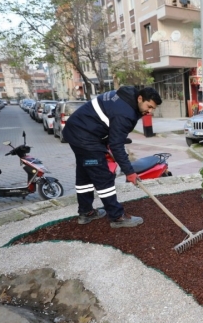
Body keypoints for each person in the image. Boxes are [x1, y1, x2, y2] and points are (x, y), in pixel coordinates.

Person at [63, 87, 162, 228]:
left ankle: (86, 212)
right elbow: (116, 145)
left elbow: (112, 128)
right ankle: (117, 217)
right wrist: (129, 172)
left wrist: (116, 139)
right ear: (140, 99)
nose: (150, 111)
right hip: (85, 138)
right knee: (103, 176)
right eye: (149, 106)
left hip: (76, 131)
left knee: (84, 175)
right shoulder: (125, 113)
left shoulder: (127, 97)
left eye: (153, 108)